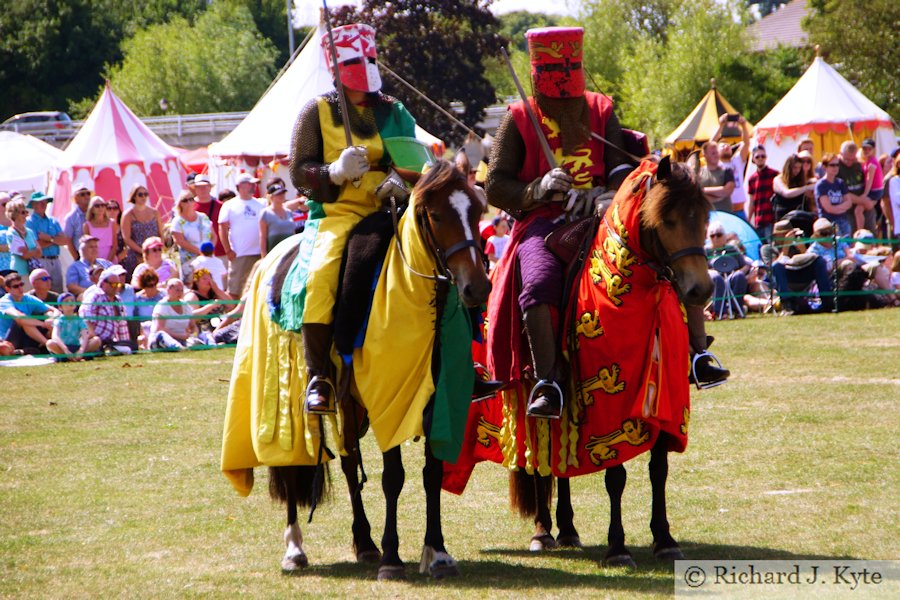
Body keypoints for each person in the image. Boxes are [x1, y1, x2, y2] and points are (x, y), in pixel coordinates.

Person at [487, 26, 726, 418]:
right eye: (555, 69)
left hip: (604, 214)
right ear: (537, 72)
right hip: (543, 223)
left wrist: (606, 195)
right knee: (537, 283)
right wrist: (538, 189)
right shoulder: (518, 118)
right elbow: (495, 186)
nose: (564, 78)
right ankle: (548, 381)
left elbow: (618, 167)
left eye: (570, 67)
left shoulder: (600, 108)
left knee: (674, 254)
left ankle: (698, 353)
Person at [287, 22, 421, 413]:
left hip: (392, 211)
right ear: (336, 65)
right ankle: (320, 377)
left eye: (369, 58)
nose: (363, 67)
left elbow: (415, 162)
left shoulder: (394, 111)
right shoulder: (317, 112)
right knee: (322, 275)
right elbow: (299, 172)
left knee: (447, 257)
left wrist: (399, 181)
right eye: (353, 60)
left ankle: (461, 361)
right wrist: (333, 172)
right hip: (337, 214)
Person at [218, 173, 263, 298]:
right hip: (240, 253)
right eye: (250, 184)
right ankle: (234, 315)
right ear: (241, 186)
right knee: (235, 288)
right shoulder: (229, 205)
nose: (254, 186)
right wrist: (228, 250)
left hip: (258, 253)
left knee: (256, 288)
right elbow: (222, 228)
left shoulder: (261, 204)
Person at [0, 272, 61, 354]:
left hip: (27, 335)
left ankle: (56, 346)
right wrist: (43, 324)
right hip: (8, 339)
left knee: (48, 315)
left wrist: (51, 320)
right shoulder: (4, 301)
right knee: (24, 321)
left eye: (21, 284)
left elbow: (54, 310)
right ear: (7, 289)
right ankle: (49, 346)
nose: (20, 289)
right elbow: (20, 317)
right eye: (16, 286)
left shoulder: (27, 298)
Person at [79, 265, 131, 351]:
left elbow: (122, 326)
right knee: (96, 342)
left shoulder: (118, 301)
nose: (116, 287)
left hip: (109, 341)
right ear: (103, 284)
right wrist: (93, 335)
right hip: (92, 339)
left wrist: (124, 342)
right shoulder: (96, 296)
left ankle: (110, 349)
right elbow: (85, 316)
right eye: (113, 284)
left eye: (117, 284)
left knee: (130, 346)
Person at [706, 221, 749, 318]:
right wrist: (711, 272)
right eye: (712, 236)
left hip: (730, 276)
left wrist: (739, 272)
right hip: (713, 278)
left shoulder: (732, 249)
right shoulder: (706, 251)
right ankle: (720, 312)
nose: (716, 238)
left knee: (739, 276)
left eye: (719, 235)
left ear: (724, 236)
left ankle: (736, 310)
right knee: (717, 278)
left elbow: (745, 265)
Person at [712, 113, 751, 219]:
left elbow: (746, 143)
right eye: (722, 146)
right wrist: (721, 126)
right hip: (724, 211)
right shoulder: (716, 164)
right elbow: (710, 145)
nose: (726, 147)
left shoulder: (737, 161)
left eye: (728, 146)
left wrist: (743, 126)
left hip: (740, 210)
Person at [120, 184, 164, 277]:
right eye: (140, 194)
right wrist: (143, 252)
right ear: (134, 196)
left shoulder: (155, 212)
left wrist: (159, 250)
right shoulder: (128, 215)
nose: (143, 197)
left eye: (145, 194)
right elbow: (126, 238)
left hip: (155, 253)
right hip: (136, 255)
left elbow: (161, 234)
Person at [26, 191, 66, 292]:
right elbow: (37, 244)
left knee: (57, 290)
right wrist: (55, 240)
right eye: (40, 202)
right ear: (33, 205)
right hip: (41, 261)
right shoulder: (29, 222)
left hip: (55, 260)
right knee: (42, 290)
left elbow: (64, 240)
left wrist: (48, 238)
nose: (43, 204)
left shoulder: (53, 220)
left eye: (45, 202)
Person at [170, 190, 215, 278]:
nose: (189, 202)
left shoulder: (203, 217)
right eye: (185, 200)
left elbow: (213, 236)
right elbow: (180, 241)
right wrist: (200, 252)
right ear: (180, 203)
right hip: (190, 262)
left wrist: (210, 250)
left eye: (191, 199)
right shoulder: (177, 222)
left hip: (208, 259)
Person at [150, 277, 203, 350]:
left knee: (205, 333)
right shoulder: (162, 306)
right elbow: (160, 328)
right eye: (177, 290)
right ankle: (178, 347)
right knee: (162, 335)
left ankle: (212, 345)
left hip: (183, 339)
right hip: (163, 340)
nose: (180, 293)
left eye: (181, 290)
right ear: (168, 290)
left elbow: (193, 326)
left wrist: (193, 335)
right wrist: (181, 336)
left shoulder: (185, 305)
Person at [50, 292, 101, 361]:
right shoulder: (59, 320)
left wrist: (81, 350)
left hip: (76, 346)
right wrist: (65, 349)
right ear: (60, 307)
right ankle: (67, 356)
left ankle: (78, 356)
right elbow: (55, 336)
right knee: (50, 343)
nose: (70, 302)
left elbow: (85, 336)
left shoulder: (79, 320)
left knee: (96, 340)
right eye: (66, 301)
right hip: (63, 347)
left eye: (72, 300)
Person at [815, 152, 855, 237]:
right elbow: (829, 208)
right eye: (832, 165)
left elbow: (849, 203)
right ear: (824, 167)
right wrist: (842, 208)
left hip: (843, 221)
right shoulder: (821, 185)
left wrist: (837, 208)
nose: (835, 167)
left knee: (847, 246)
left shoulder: (840, 182)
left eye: (837, 165)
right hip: (828, 224)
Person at [745, 145, 779, 241]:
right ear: (753, 159)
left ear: (766, 158)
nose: (760, 159)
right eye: (757, 157)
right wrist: (748, 219)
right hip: (759, 220)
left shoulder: (774, 174)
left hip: (771, 219)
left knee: (771, 248)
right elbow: (752, 202)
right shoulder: (752, 179)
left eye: (763, 156)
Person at [5, 196, 40, 284]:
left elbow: (40, 252)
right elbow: (24, 255)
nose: (26, 215)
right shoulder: (11, 233)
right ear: (14, 214)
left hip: (33, 271)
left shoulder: (30, 232)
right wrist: (33, 251)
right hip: (20, 273)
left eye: (26, 212)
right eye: (23, 212)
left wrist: (29, 252)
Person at [259, 182, 296, 258]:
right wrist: (264, 256)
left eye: (283, 193)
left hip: (290, 252)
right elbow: (262, 236)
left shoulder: (289, 212)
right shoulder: (265, 213)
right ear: (271, 197)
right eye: (278, 194)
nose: (282, 195)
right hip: (274, 253)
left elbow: (293, 232)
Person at [772, 154, 815, 221]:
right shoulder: (778, 179)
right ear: (788, 167)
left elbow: (809, 196)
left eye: (799, 168)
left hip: (799, 216)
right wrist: (806, 187)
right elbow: (787, 193)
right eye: (795, 167)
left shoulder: (799, 179)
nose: (797, 170)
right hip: (783, 218)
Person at [836, 141, 867, 230]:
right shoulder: (835, 166)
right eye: (846, 159)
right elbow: (842, 192)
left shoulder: (859, 164)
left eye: (852, 159)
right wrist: (862, 201)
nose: (849, 162)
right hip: (845, 210)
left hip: (862, 207)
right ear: (840, 153)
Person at [698, 141, 735, 213]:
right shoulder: (699, 173)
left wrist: (703, 190)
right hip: (706, 215)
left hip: (725, 214)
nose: (716, 155)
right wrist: (716, 197)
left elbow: (727, 191)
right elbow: (697, 195)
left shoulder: (727, 171)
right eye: (713, 153)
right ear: (705, 155)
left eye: (717, 152)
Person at [133, 267, 164, 349]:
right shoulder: (137, 298)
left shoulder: (163, 296)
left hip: (161, 327)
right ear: (143, 286)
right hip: (144, 329)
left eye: (154, 285)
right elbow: (136, 319)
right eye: (149, 286)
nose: (153, 288)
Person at [83, 196, 119, 264]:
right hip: (95, 261)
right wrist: (97, 263)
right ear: (92, 209)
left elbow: (114, 245)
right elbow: (89, 246)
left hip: (111, 260)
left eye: (103, 205)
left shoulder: (112, 223)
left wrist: (107, 262)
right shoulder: (87, 226)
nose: (100, 208)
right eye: (97, 206)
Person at [858, 138, 884, 233]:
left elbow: (869, 179)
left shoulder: (872, 163)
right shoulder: (867, 161)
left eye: (869, 149)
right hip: (874, 191)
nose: (866, 151)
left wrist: (865, 194)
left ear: (873, 150)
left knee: (858, 210)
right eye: (865, 149)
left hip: (874, 192)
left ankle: (859, 232)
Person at [63, 183, 92, 259]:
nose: (86, 197)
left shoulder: (96, 213)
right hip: (82, 257)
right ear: (76, 199)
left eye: (88, 194)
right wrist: (77, 258)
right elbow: (68, 240)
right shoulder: (70, 218)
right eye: (82, 194)